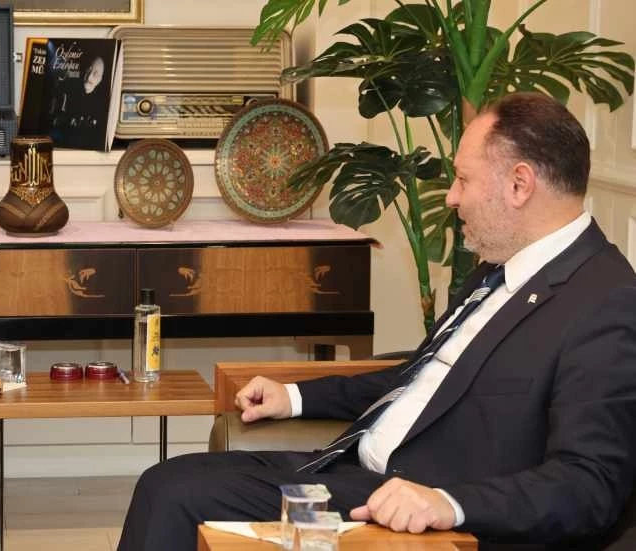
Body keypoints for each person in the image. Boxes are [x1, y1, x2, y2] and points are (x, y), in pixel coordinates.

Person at [118, 92, 636, 550]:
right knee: (166, 482)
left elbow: (590, 486)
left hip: (420, 512)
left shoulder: (606, 302)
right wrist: (295, 396)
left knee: (176, 496)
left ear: (520, 184)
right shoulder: (500, 270)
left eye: (463, 179)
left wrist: (449, 503)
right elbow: (418, 379)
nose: (452, 197)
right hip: (351, 471)